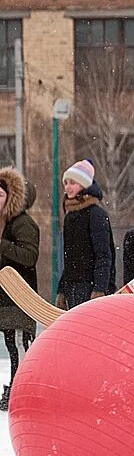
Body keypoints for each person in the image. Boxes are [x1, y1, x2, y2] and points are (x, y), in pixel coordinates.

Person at [0, 168, 40, 412]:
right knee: (12, 347)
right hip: (5, 300)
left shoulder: (22, 223)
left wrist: (3, 245)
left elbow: (29, 256)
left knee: (21, 347)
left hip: (19, 298)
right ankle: (16, 388)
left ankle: (25, 390)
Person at [56, 158, 115, 309]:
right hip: (73, 287)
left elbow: (104, 255)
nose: (68, 187)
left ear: (84, 185)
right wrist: (62, 289)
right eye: (66, 183)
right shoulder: (70, 216)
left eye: (73, 183)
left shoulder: (96, 215)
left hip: (90, 287)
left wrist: (99, 289)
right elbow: (69, 260)